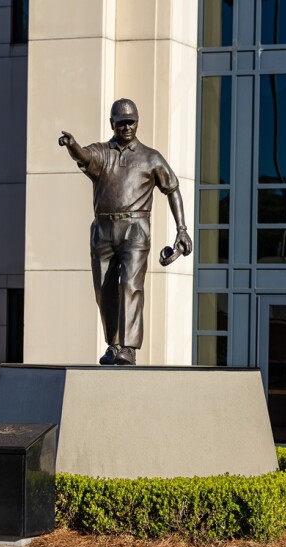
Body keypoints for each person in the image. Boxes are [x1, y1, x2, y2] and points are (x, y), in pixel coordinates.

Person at [58, 98, 192, 366]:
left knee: (130, 285)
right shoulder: (102, 152)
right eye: (121, 123)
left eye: (131, 122)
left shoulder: (150, 157)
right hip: (103, 229)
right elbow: (84, 156)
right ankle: (114, 344)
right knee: (104, 291)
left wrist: (182, 229)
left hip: (135, 229)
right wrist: (72, 146)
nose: (127, 127)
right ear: (113, 124)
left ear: (137, 123)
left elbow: (172, 188)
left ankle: (128, 348)